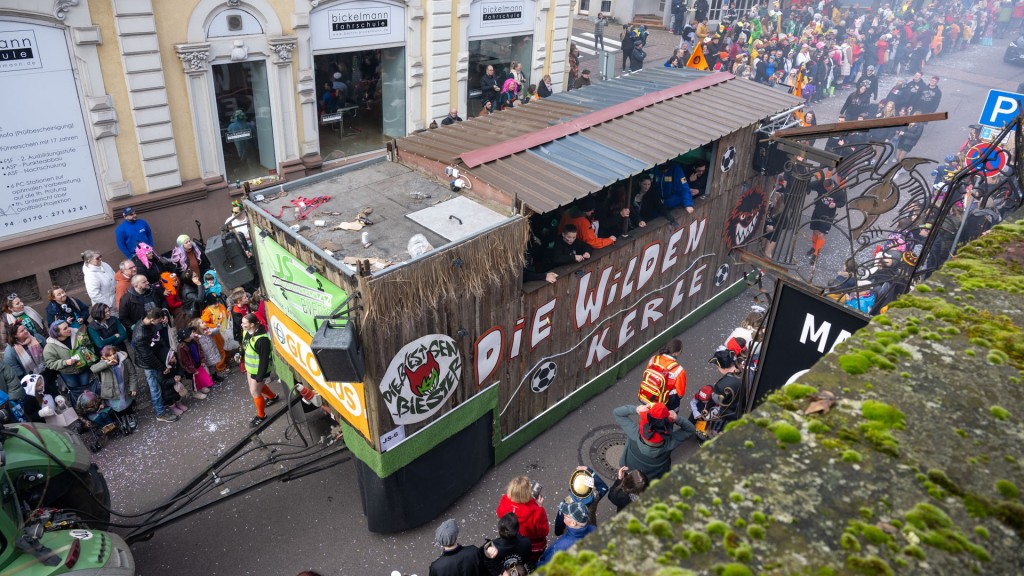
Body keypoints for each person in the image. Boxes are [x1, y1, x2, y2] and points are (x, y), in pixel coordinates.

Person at [612, 401, 695, 480]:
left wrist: (636, 409)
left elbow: (617, 413)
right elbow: (691, 429)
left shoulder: (634, 433)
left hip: (628, 467)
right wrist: (677, 419)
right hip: (653, 476)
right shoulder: (671, 443)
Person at [131, 308, 178, 422]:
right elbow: (148, 356)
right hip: (149, 364)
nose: (160, 322)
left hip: (156, 357)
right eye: (159, 320)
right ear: (152, 320)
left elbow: (157, 339)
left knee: (158, 385)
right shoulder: (140, 335)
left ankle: (165, 406)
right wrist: (162, 368)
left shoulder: (147, 323)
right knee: (155, 388)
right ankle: (160, 413)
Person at [495, 475, 549, 564]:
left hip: (513, 543)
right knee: (532, 560)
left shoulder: (504, 500)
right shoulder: (537, 511)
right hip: (533, 545)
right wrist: (540, 507)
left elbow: (499, 513)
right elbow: (543, 532)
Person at [240, 313, 280, 427]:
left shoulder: (262, 340)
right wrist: (241, 353)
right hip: (250, 368)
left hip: (259, 370)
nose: (242, 325)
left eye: (244, 323)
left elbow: (264, 360)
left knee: (255, 392)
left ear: (252, 324)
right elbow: (245, 345)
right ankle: (273, 397)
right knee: (256, 388)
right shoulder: (246, 332)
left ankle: (261, 416)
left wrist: (260, 376)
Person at [43, 320, 97, 406]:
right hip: (68, 374)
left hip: (83, 369)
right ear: (57, 333)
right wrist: (65, 362)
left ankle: (92, 404)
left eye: (67, 326)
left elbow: (88, 345)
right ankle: (82, 407)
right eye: (65, 328)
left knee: (87, 388)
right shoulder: (49, 347)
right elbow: (50, 364)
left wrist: (85, 341)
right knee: (76, 391)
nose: (69, 329)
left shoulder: (77, 334)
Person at [91, 345, 138, 431]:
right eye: (109, 355)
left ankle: (130, 416)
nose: (112, 356)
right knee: (116, 404)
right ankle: (122, 418)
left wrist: (133, 387)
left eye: (113, 353)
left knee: (127, 402)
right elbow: (93, 369)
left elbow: (132, 374)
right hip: (111, 389)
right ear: (104, 357)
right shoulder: (103, 364)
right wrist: (107, 364)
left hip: (124, 386)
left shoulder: (125, 360)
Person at [535, 501, 595, 567]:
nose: (563, 514)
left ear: (573, 523)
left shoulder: (561, 546)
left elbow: (546, 565)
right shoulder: (594, 529)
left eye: (566, 515)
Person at [553, 466, 608, 535]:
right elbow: (603, 487)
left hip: (574, 532)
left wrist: (558, 532)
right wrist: (590, 472)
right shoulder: (595, 496)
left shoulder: (566, 504)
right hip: (590, 526)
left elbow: (559, 523)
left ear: (572, 487)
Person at [807, 170, 847, 265]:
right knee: (815, 231)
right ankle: (813, 247)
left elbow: (842, 203)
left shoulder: (839, 192)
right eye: (825, 188)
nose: (827, 190)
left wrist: (835, 204)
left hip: (828, 216)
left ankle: (816, 254)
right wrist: (816, 181)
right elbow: (811, 185)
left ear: (832, 185)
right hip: (817, 212)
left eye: (828, 188)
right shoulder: (822, 185)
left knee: (821, 234)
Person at [638, 338, 686, 409]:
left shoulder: (654, 359)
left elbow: (645, 375)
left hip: (648, 394)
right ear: (676, 353)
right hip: (667, 400)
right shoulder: (679, 370)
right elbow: (680, 393)